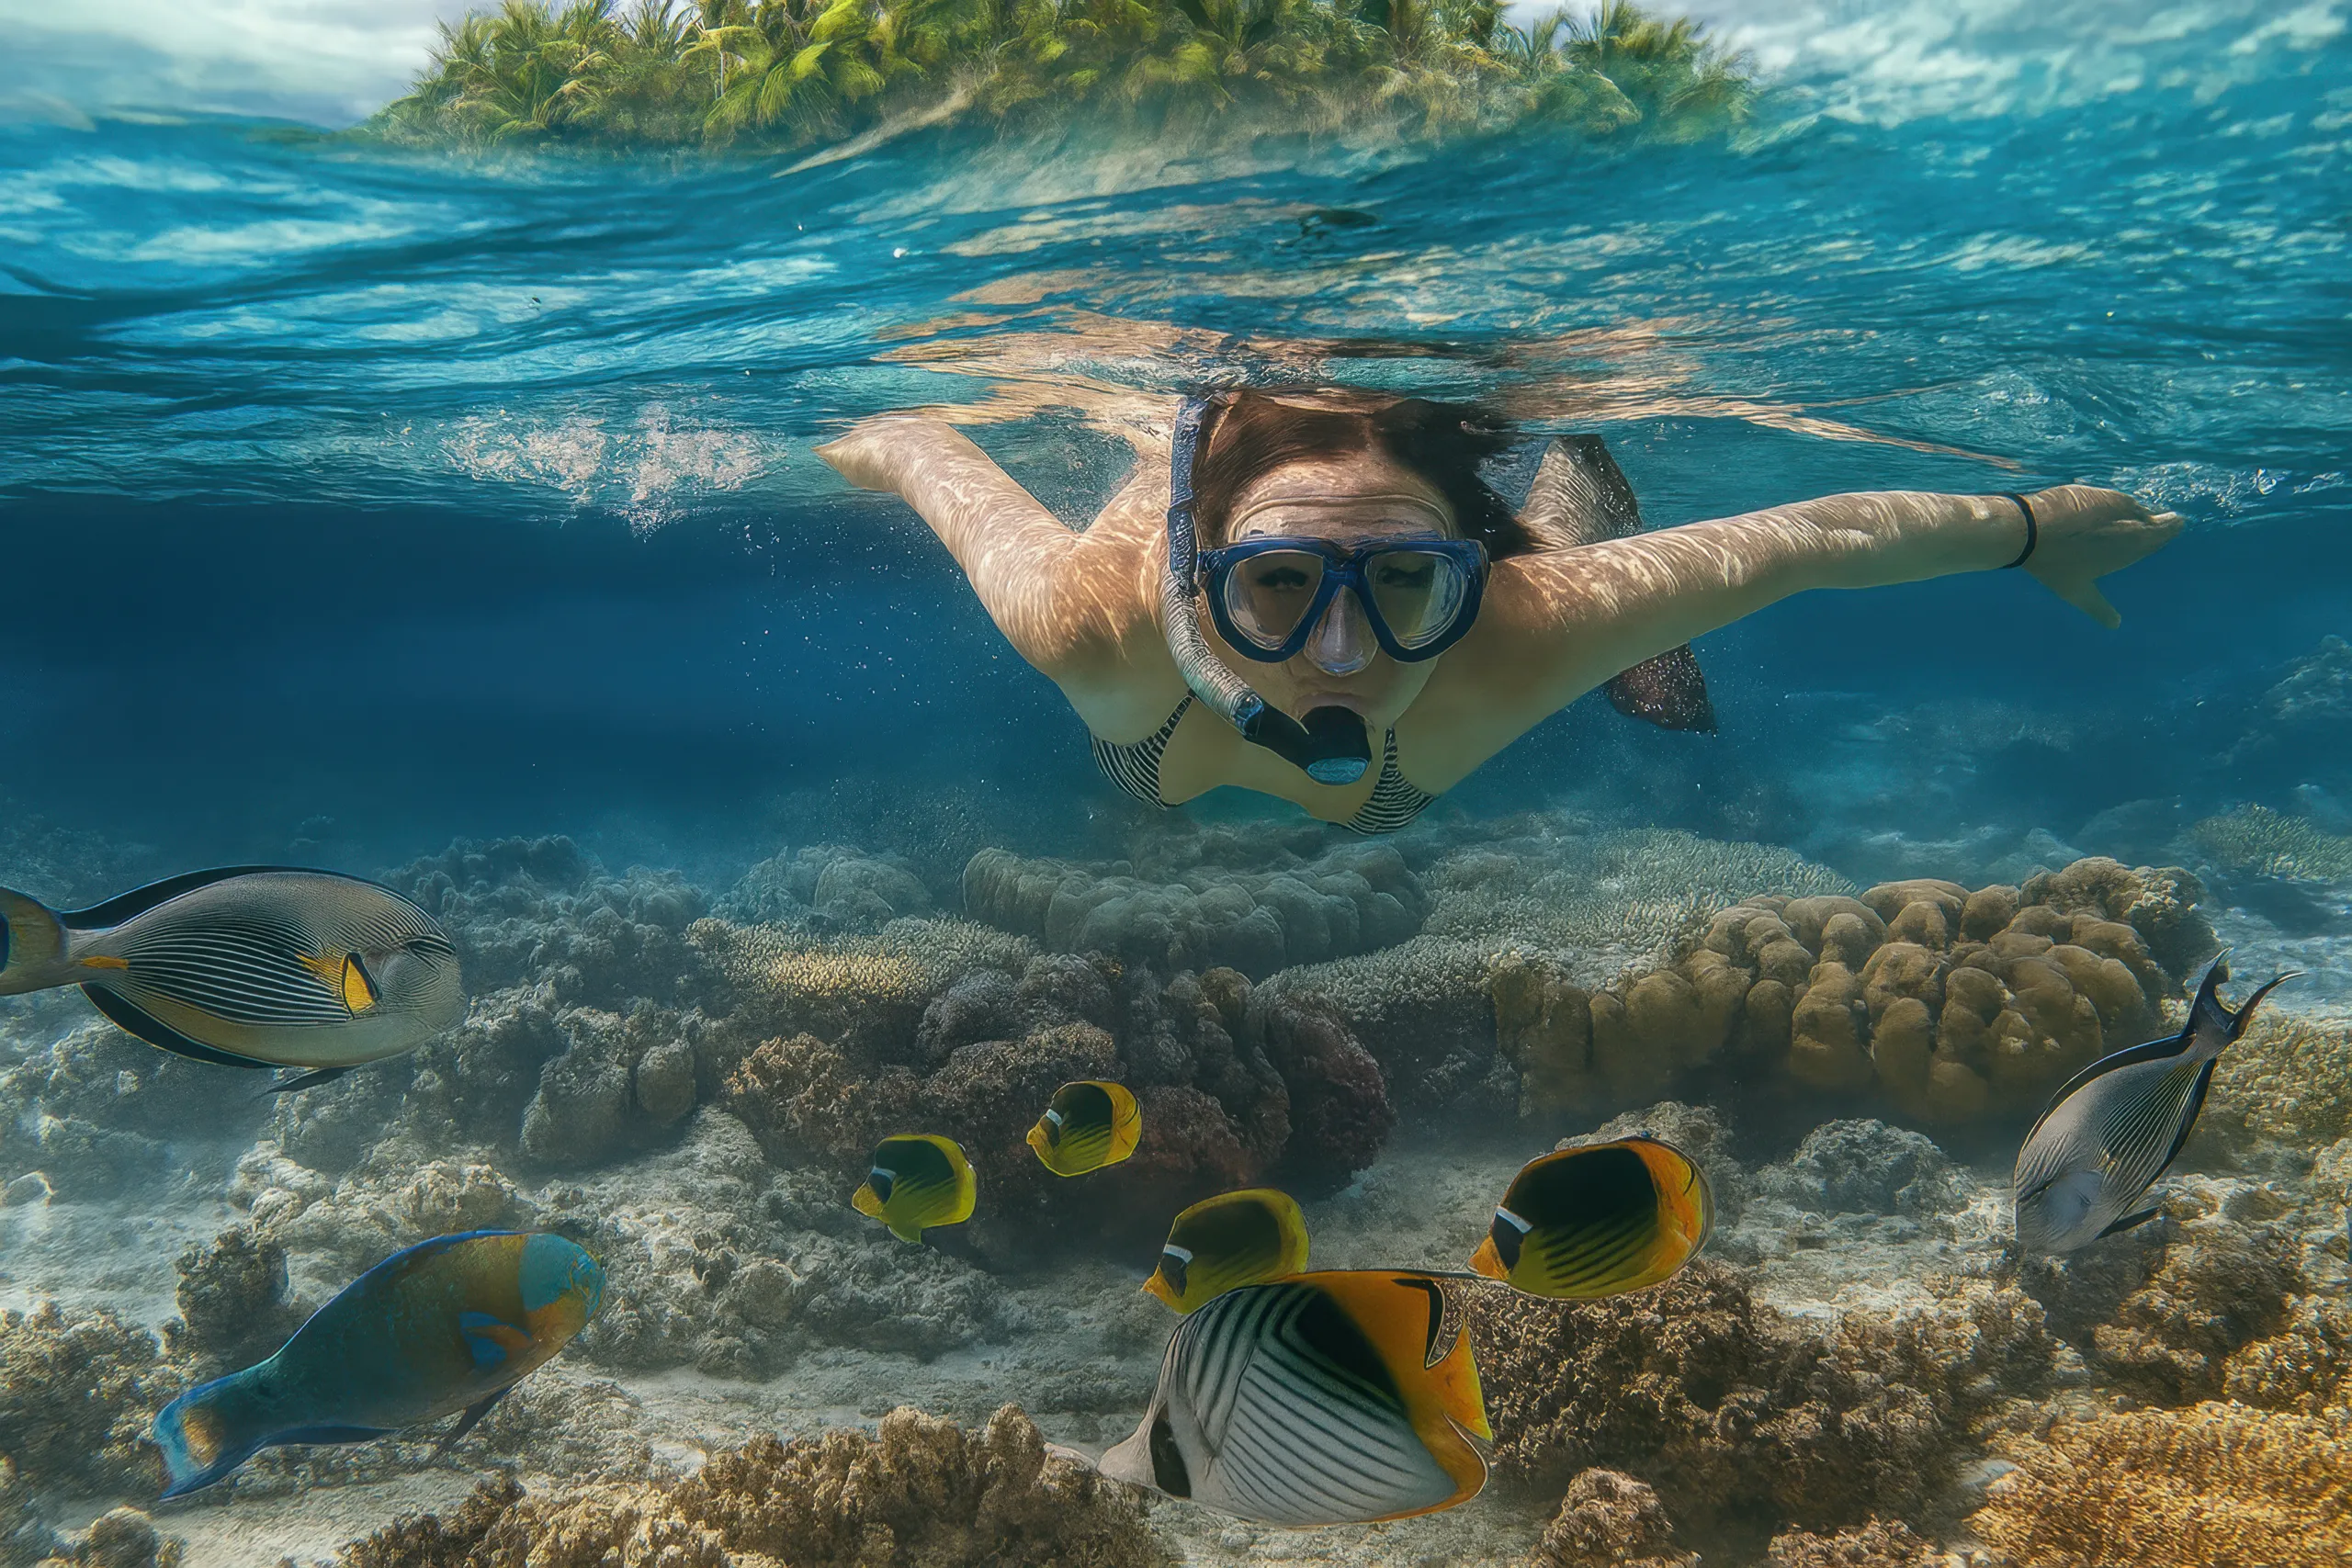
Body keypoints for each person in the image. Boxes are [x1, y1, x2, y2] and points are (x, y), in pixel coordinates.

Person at [816, 389, 2182, 834]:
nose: (1339, 657)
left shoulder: (1514, 626)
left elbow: (1801, 545)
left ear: (1469, 574)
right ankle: (1182, 460)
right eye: (1278, 585)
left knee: (1613, 612)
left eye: (1407, 581)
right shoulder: (1092, 620)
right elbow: (915, 448)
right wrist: (853, 432)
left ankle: (1565, 495)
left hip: (1500, 592)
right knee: (1185, 471)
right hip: (1182, 504)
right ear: (1198, 578)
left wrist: (2033, 534)